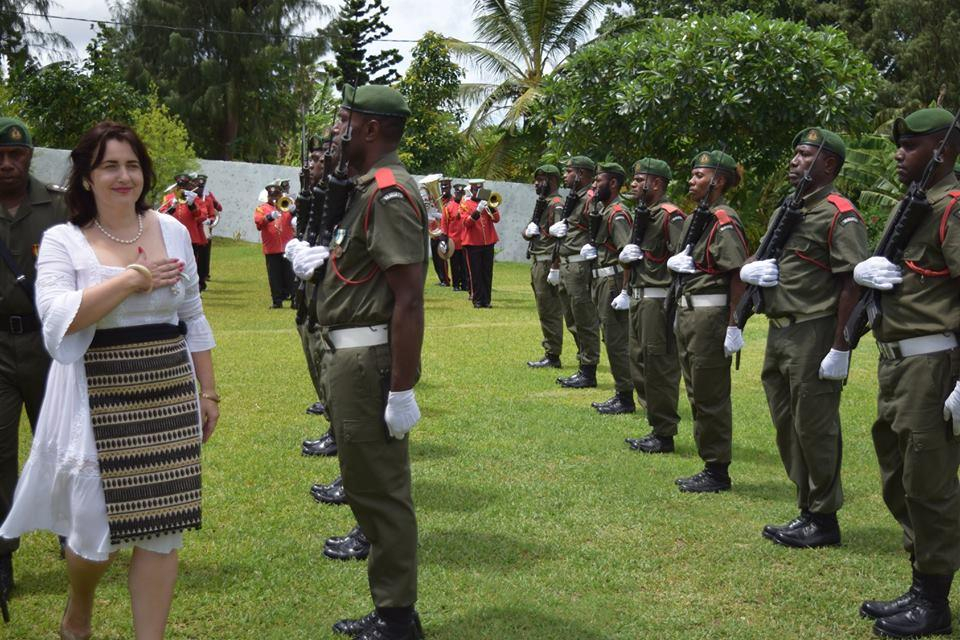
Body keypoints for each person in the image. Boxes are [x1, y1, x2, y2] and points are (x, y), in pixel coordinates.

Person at [0, 121, 217, 640]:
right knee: (94, 530)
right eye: (109, 166)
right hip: (95, 393)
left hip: (167, 387)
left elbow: (193, 312)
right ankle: (79, 611)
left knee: (164, 530)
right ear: (87, 178)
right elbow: (59, 320)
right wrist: (130, 280)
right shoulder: (63, 241)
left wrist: (207, 390)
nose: (124, 176)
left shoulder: (171, 230)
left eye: (132, 165)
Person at [297, 84, 426, 640]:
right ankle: (391, 609)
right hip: (345, 354)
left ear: (370, 129)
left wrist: (401, 389)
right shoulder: (363, 190)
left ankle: (397, 618)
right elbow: (360, 274)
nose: (337, 131)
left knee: (382, 492)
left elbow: (409, 298)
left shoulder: (389, 194)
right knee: (364, 482)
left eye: (345, 121)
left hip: (367, 360)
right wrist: (320, 267)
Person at [853, 107, 960, 639]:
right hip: (899, 363)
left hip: (933, 363)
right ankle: (921, 582)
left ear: (944, 149)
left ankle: (934, 601)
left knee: (929, 483)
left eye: (911, 145)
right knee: (899, 477)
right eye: (898, 145)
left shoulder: (953, 208)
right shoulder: (915, 206)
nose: (898, 152)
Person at [740, 128, 867, 548]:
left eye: (804, 155)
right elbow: (760, 255)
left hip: (814, 329)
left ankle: (824, 518)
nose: (794, 161)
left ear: (828, 164)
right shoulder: (787, 210)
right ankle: (806, 506)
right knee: (786, 424)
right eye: (794, 154)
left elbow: (852, 282)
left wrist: (840, 347)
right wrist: (749, 270)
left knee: (815, 426)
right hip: (779, 329)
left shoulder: (839, 213)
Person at [0, 117, 68, 608]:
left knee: (62, 443)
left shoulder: (59, 206)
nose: (7, 164)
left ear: (30, 157)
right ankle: (2, 554)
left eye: (16, 156)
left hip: (49, 345)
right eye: (0, 155)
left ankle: (73, 532)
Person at [666, 150, 748, 493]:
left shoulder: (723, 220)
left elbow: (738, 274)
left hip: (709, 315)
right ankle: (710, 462)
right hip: (689, 312)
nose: (691, 181)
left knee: (709, 392)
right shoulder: (697, 218)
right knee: (696, 390)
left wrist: (734, 325)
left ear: (718, 180)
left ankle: (717, 470)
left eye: (699, 175)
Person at [620, 158, 685, 451]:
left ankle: (664, 433)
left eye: (639, 179)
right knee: (639, 363)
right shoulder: (645, 214)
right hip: (639, 296)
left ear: (656, 184)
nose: (633, 184)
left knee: (658, 366)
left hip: (659, 300)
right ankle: (655, 423)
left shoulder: (671, 216)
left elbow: (683, 260)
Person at [580, 162, 635, 414]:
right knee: (610, 338)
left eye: (598, 180)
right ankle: (621, 392)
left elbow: (628, 255)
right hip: (601, 279)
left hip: (613, 281)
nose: (594, 185)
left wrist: (625, 291)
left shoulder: (617, 214)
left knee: (616, 341)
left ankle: (625, 397)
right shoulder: (604, 210)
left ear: (613, 183)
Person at [550, 156, 602, 388]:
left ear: (581, 174)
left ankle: (588, 370)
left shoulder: (590, 199)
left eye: (569, 171)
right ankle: (583, 362)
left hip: (580, 265)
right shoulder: (575, 198)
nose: (565, 175)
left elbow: (598, 228)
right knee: (571, 317)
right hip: (567, 263)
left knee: (584, 318)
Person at [523, 164, 566, 368]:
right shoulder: (543, 202)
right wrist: (527, 232)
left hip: (548, 260)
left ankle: (553, 354)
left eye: (541, 180)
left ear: (552, 181)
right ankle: (551, 350)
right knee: (544, 308)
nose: (536, 184)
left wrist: (556, 268)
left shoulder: (556, 204)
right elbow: (535, 229)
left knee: (549, 310)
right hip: (538, 259)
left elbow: (560, 238)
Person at [254, 182, 296, 308]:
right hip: (271, 248)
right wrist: (269, 217)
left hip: (287, 248)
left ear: (280, 195)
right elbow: (258, 224)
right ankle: (277, 301)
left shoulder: (286, 205)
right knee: (274, 277)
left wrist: (295, 210)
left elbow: (297, 218)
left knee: (290, 275)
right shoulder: (261, 208)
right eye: (271, 195)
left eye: (276, 195)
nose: (273, 197)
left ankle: (295, 300)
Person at [460, 179, 499, 308]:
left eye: (480, 189)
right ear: (471, 190)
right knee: (475, 273)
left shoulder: (488, 201)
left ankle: (486, 300)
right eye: (476, 189)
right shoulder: (465, 203)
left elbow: (497, 219)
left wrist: (491, 208)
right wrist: (478, 210)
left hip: (488, 241)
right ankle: (477, 300)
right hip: (473, 243)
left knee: (487, 272)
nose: (478, 192)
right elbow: (466, 223)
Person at [195, 173, 220, 289]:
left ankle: (203, 276)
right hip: (192, 230)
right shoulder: (189, 198)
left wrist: (210, 220)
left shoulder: (208, 197)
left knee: (204, 255)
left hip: (204, 229)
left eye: (202, 184)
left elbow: (216, 210)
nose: (200, 187)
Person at [443, 183, 467, 291]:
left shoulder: (467, 205)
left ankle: (465, 284)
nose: (459, 195)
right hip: (453, 241)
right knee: (454, 264)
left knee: (465, 265)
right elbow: (444, 224)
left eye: (461, 193)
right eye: (457, 193)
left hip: (466, 240)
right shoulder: (449, 206)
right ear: (455, 193)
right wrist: (445, 240)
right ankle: (456, 284)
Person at [428, 177, 450, 287]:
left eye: (446, 186)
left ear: (450, 186)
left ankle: (446, 280)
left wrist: (441, 216)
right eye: (442, 186)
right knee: (436, 259)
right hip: (434, 232)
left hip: (445, 233)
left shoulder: (452, 200)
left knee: (442, 257)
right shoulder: (437, 201)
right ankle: (441, 278)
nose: (444, 188)